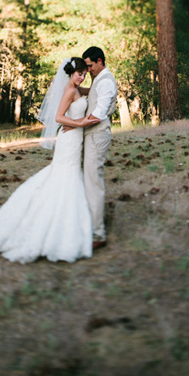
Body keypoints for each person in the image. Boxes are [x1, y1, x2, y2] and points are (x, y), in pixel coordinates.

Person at [0, 57, 95, 264]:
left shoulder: (77, 89)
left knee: (65, 176)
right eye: (80, 74)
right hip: (69, 141)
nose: (82, 77)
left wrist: (94, 87)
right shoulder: (69, 90)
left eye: (85, 74)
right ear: (71, 73)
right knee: (64, 176)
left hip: (74, 140)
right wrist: (80, 123)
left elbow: (88, 92)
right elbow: (59, 117)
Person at [81, 46, 118, 249]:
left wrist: (73, 123)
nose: (88, 70)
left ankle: (98, 234)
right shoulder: (99, 81)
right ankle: (89, 225)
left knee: (94, 182)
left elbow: (98, 114)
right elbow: (94, 95)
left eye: (90, 66)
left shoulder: (105, 82)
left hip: (97, 136)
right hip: (91, 135)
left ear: (100, 61)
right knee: (87, 180)